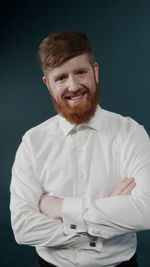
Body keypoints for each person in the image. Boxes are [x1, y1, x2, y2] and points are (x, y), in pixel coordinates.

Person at [10, 30, 150, 267]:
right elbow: (23, 228)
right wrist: (104, 219)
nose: (73, 86)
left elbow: (145, 211)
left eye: (80, 72)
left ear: (95, 72)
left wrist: (61, 208)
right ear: (48, 84)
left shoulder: (131, 133)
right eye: (61, 78)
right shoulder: (32, 142)